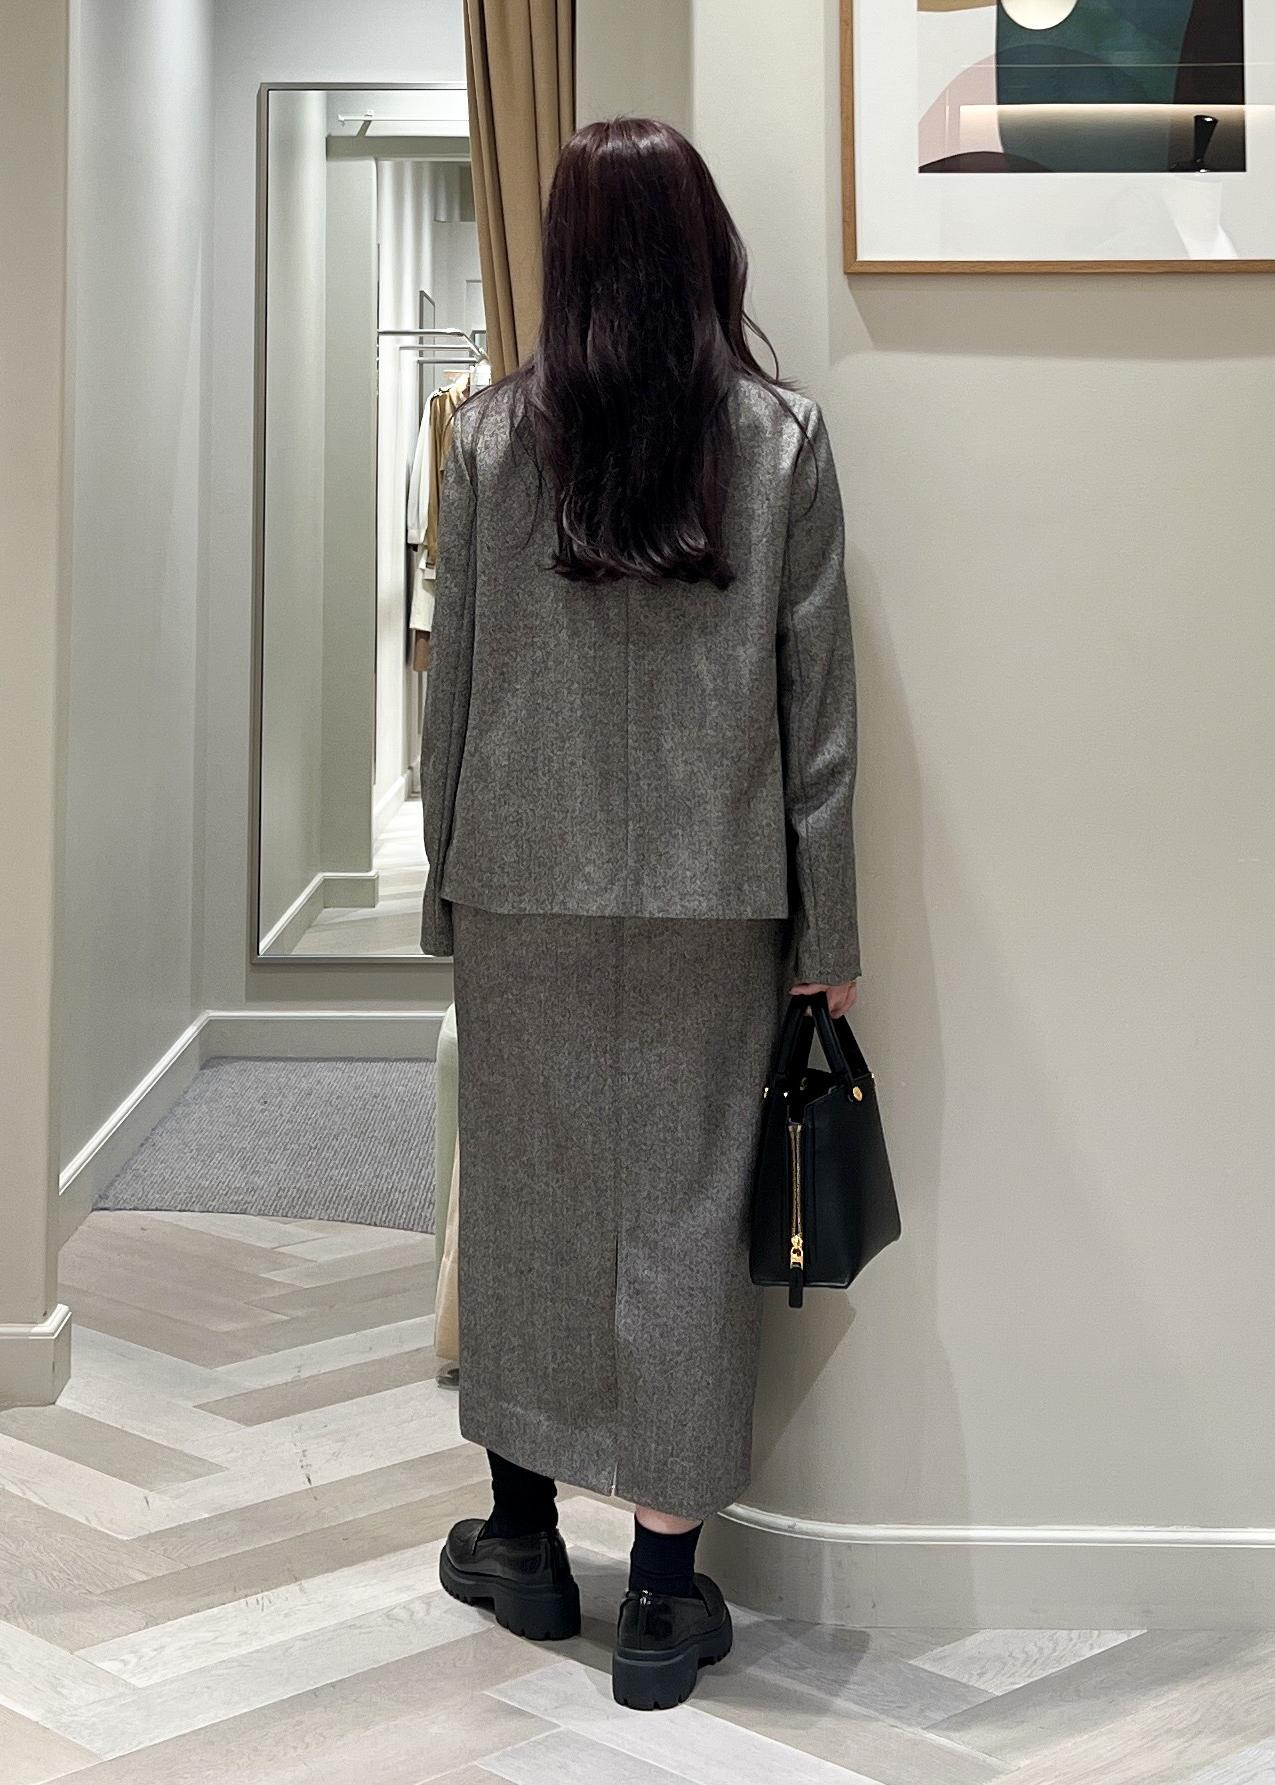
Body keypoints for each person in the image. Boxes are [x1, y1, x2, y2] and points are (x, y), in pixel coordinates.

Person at [419, 115, 860, 1712]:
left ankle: (525, 1539)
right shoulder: (781, 439)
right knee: (683, 1216)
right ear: (701, 245)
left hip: (518, 882)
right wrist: (828, 942)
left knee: (525, 1200)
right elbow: (820, 723)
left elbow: (450, 694)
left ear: (570, 256)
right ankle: (665, 1598)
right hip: (713, 896)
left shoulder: (485, 440)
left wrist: (444, 890)